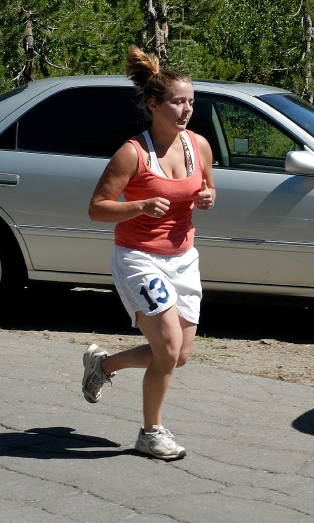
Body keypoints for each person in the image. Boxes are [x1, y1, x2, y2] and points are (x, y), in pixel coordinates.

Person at [83, 45, 215, 461]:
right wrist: (139, 206)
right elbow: (97, 208)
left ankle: (104, 366)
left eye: (191, 101)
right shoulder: (132, 153)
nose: (187, 109)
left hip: (183, 258)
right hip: (139, 257)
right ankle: (151, 432)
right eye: (178, 102)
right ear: (154, 105)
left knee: (179, 356)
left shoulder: (199, 146)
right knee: (169, 348)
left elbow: (206, 188)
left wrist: (208, 197)